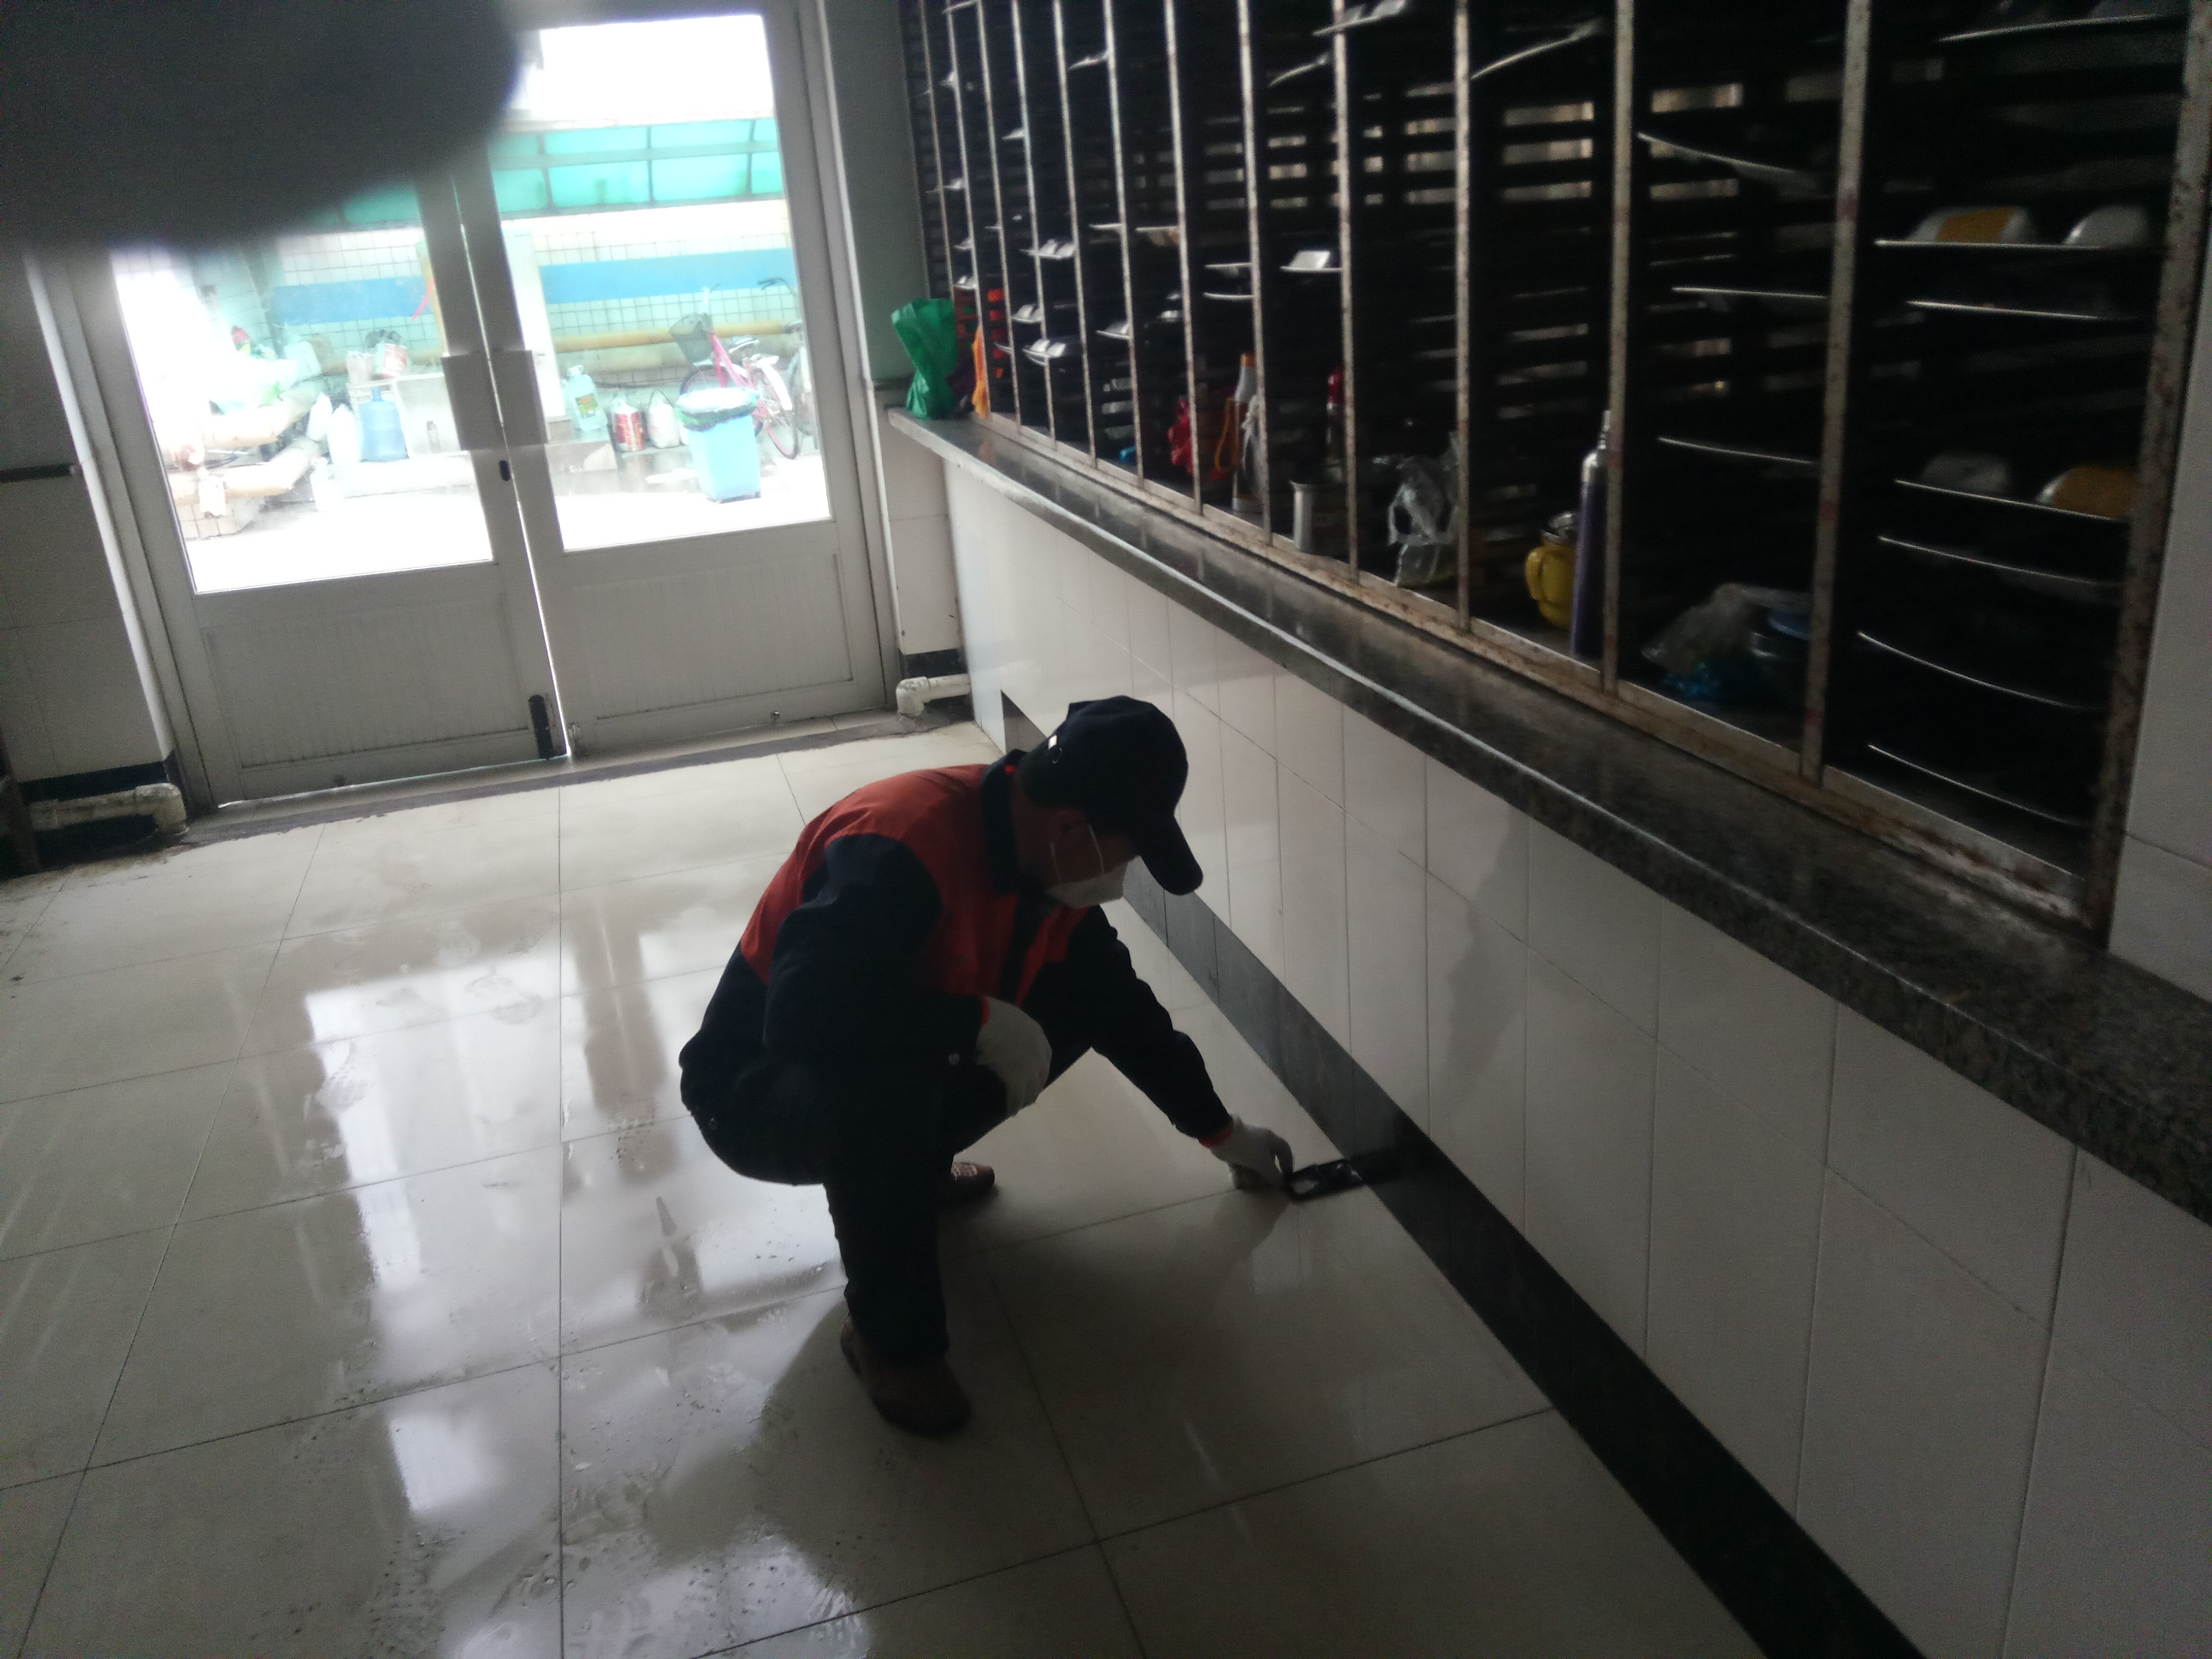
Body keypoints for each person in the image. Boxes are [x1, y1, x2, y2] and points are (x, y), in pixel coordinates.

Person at [678, 697, 1296, 1435]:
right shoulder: (900, 847)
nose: (1120, 875)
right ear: (1069, 828)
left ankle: (916, 1172)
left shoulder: (1043, 859)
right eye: (1125, 855)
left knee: (1079, 995)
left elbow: (1125, 1010)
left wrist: (1222, 1132)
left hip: (862, 1051)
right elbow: (800, 1021)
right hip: (753, 1089)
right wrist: (972, 1022)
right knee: (886, 1087)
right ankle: (890, 1343)